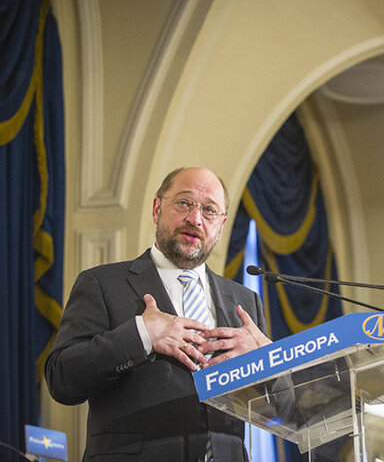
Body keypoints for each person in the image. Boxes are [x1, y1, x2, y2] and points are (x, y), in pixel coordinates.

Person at [46, 167, 273, 461]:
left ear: (221, 225)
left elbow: (284, 409)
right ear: (157, 209)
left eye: (209, 210)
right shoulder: (103, 284)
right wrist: (141, 334)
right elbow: (62, 379)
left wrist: (268, 359)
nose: (195, 218)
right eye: (183, 203)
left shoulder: (244, 300)